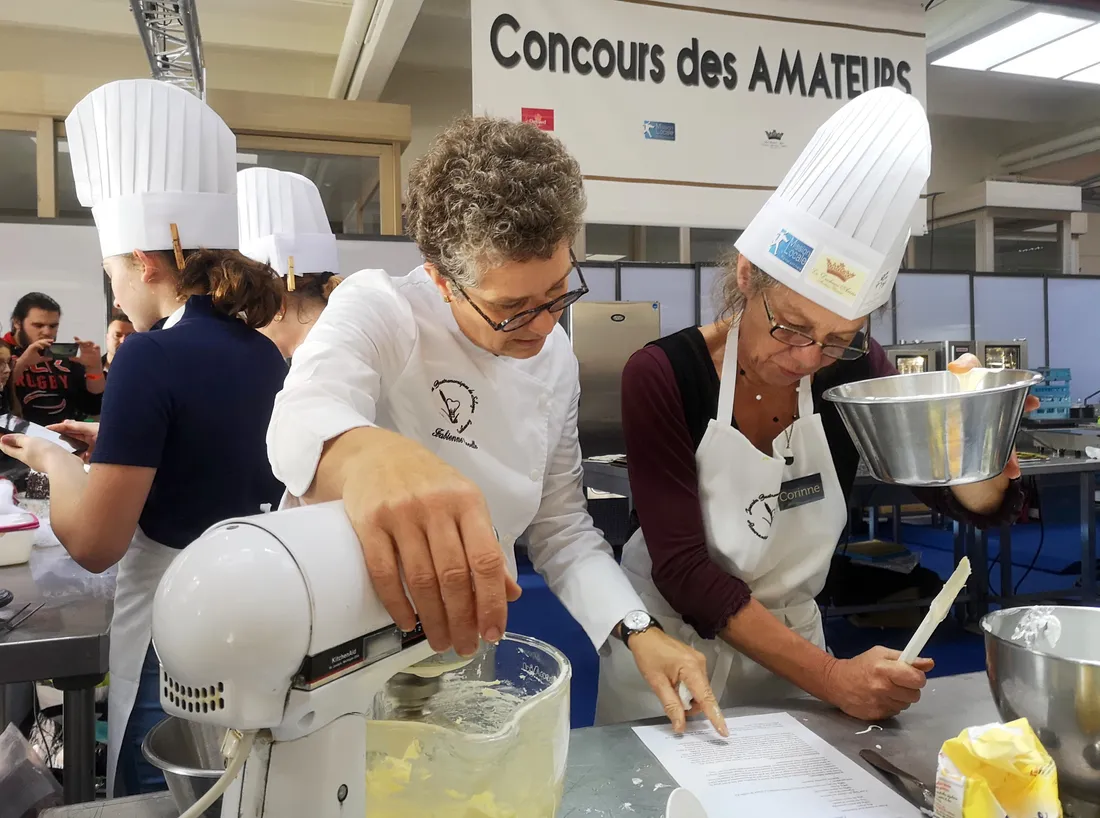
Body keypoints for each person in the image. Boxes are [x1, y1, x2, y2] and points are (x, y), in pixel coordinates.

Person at [267, 116, 726, 736]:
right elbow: (299, 420)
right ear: (441, 279)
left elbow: (562, 529)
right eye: (511, 308)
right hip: (339, 652)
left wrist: (639, 629)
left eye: (558, 292)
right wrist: (371, 457)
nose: (542, 324)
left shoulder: (554, 357)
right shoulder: (383, 308)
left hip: (462, 643)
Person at [594, 88, 1038, 726]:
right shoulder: (664, 374)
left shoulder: (854, 365)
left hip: (792, 645)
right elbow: (684, 569)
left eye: (836, 337)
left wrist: (976, 437)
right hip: (673, 653)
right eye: (792, 327)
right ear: (746, 276)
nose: (809, 357)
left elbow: (950, 496)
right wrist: (832, 678)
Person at [0, 79, 287, 798]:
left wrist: (52, 457)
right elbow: (210, 451)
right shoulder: (260, 350)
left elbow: (96, 543)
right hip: (253, 616)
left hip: (174, 628)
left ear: (146, 262)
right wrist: (115, 439)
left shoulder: (149, 355)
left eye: (111, 274)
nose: (116, 293)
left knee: (165, 790)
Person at [237, 167, 342, 359]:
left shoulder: (319, 364)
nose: (250, 327)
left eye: (250, 312)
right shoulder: (352, 336)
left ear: (278, 307)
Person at [4, 292, 104, 425]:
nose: (47, 332)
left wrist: (94, 369)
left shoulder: (62, 358)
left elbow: (93, 407)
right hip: (13, 434)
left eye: (53, 326)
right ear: (17, 322)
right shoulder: (3, 353)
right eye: (38, 325)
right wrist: (22, 364)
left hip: (62, 434)